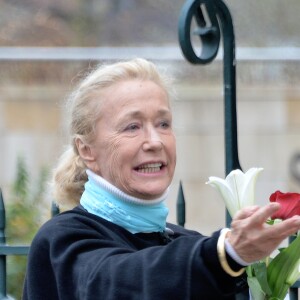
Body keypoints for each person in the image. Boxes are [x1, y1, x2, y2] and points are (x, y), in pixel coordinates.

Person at [23, 58, 300, 300]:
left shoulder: (188, 243)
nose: (155, 141)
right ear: (86, 150)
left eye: (163, 124)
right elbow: (116, 283)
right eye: (132, 127)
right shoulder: (62, 240)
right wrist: (227, 253)